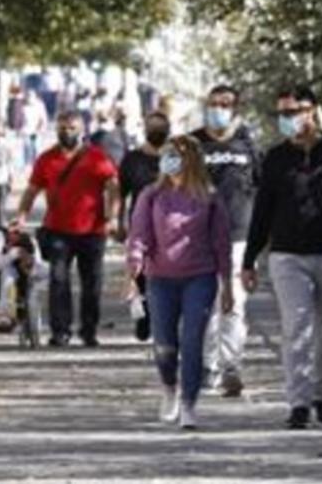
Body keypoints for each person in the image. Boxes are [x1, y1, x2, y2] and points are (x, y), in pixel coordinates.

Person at [242, 86, 322, 430]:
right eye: (281, 113)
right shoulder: (275, 158)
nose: (286, 119)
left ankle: (321, 394)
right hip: (288, 257)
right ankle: (298, 403)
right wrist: (249, 260)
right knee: (296, 328)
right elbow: (262, 211)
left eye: (292, 112)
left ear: (311, 111)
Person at [126, 135, 234, 430]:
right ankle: (169, 388)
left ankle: (188, 403)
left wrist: (227, 284)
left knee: (192, 341)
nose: (170, 160)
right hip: (160, 279)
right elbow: (139, 235)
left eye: (177, 154)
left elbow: (221, 243)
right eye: (167, 154)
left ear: (191, 160)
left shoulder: (209, 197)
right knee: (164, 344)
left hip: (200, 277)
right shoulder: (152, 195)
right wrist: (133, 270)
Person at [11, 110, 120, 347]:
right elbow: (31, 191)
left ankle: (89, 331)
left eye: (72, 128)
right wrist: (21, 216)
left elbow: (113, 187)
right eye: (62, 128)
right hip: (58, 230)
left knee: (92, 284)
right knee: (58, 281)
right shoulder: (46, 159)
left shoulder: (97, 157)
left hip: (93, 231)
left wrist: (112, 217)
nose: (67, 132)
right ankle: (60, 331)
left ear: (82, 131)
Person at [191, 84, 261, 398]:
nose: (218, 109)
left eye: (225, 104)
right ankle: (208, 366)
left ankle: (231, 366)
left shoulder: (249, 146)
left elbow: (262, 190)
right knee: (207, 306)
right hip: (199, 237)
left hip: (238, 237)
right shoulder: (192, 144)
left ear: (235, 110)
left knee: (235, 304)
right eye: (213, 103)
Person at [117, 111, 172, 340]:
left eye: (160, 128)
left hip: (171, 226)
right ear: (145, 130)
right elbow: (121, 194)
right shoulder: (132, 159)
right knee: (139, 271)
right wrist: (118, 221)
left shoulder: (175, 158)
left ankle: (165, 315)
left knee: (167, 271)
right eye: (152, 127)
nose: (156, 131)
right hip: (140, 225)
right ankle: (145, 316)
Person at [0, 228, 49, 329]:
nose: (15, 233)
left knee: (8, 275)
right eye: (13, 231)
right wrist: (12, 254)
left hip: (12, 270)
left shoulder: (30, 241)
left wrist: (30, 264)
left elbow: (39, 265)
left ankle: (4, 312)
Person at [22, 89, 49, 164]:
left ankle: (36, 163)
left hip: (35, 131)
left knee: (35, 147)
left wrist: (42, 128)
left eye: (31, 96)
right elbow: (21, 118)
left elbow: (43, 118)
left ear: (34, 97)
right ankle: (27, 164)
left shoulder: (39, 105)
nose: (29, 98)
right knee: (27, 146)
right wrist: (21, 128)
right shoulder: (24, 106)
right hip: (26, 131)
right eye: (28, 96)